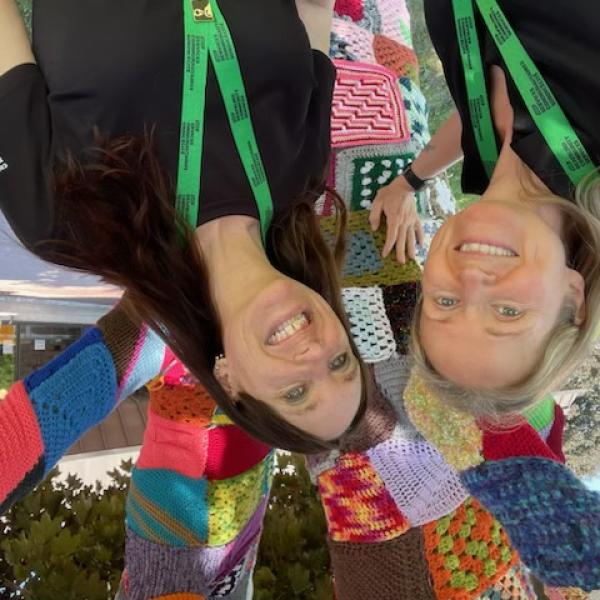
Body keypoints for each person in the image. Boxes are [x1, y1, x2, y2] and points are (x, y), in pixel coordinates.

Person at [0, 0, 367, 454]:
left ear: (229, 380)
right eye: (340, 361)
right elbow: (314, 9)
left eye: (295, 393)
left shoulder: (65, 222)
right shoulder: (304, 172)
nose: (314, 355)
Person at [368, 0, 600, 418]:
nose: (472, 281)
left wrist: (408, 182)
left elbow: (479, 113)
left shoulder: (492, 155)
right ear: (573, 294)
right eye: (508, 313)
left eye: (444, 303)